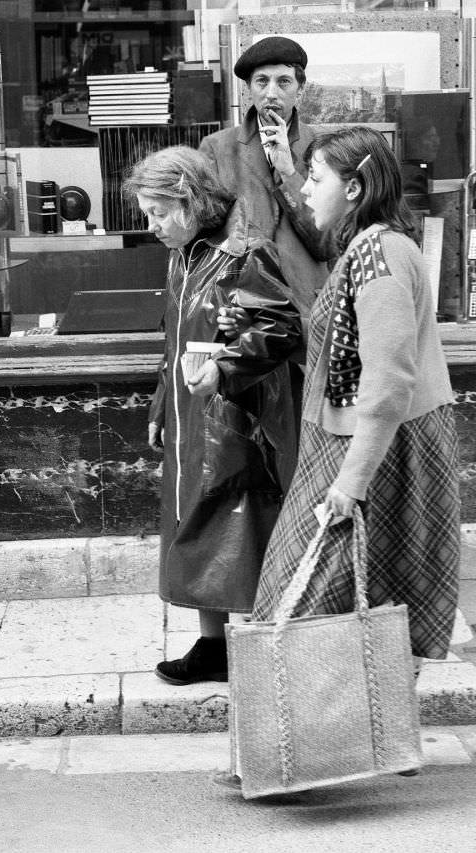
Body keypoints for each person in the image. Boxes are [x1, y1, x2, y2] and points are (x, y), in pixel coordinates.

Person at [252, 126, 461, 668]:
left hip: (376, 452)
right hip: (363, 443)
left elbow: (389, 380)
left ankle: (343, 734)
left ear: (354, 188)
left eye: (314, 178)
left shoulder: (380, 257)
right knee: (347, 604)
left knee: (310, 601)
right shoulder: (370, 249)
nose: (302, 191)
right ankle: (355, 733)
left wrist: (351, 482)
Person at [123, 146, 302, 686]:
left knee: (238, 522)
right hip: (189, 410)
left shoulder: (244, 254)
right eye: (146, 214)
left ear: (192, 201)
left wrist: (227, 368)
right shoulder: (186, 256)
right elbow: (172, 341)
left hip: (236, 414)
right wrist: (160, 403)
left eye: (159, 212)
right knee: (194, 522)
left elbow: (279, 327)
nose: (152, 226)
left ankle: (259, 644)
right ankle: (214, 644)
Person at [200, 36, 335, 322]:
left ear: (300, 89)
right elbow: (206, 238)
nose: (271, 93)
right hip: (243, 309)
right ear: (249, 89)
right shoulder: (217, 148)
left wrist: (288, 172)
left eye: (283, 82)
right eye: (262, 82)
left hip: (310, 308)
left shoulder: (324, 146)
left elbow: (327, 244)